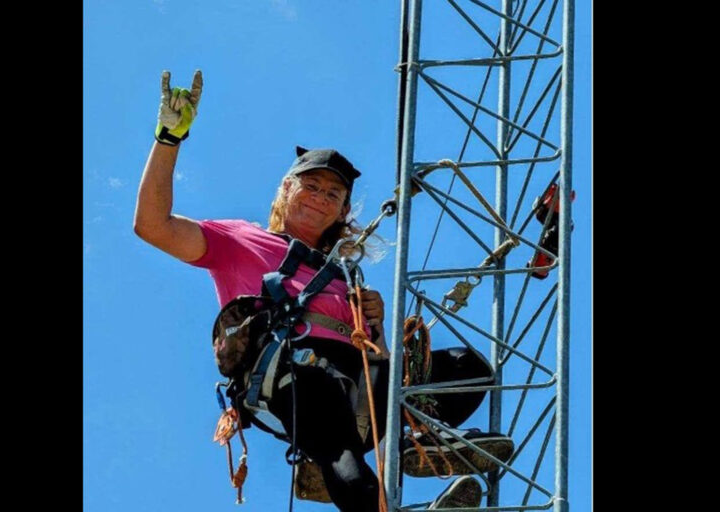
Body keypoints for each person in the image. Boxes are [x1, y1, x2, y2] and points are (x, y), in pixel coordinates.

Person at [134, 70, 513, 512]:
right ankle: (350, 476)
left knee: (468, 366)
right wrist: (168, 139)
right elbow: (152, 225)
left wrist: (375, 325)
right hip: (295, 375)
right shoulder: (239, 238)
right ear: (286, 190)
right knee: (340, 449)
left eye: (333, 193)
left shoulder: (344, 274)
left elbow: (379, 360)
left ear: (343, 210)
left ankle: (418, 440)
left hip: (356, 382)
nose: (320, 196)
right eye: (310, 186)